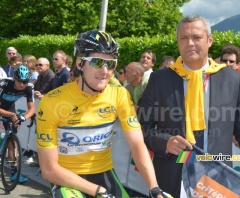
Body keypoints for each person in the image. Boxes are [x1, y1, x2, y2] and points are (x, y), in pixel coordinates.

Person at [137, 14, 240, 197]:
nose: (190, 43)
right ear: (177, 42)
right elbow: (142, 128)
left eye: (197, 37)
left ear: (210, 40)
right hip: (170, 177)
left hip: (216, 180)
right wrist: (165, 141)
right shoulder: (159, 79)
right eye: (184, 38)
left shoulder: (232, 80)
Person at [36, 30, 169, 198]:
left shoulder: (119, 95)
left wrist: (154, 188)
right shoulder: (52, 101)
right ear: (80, 64)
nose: (105, 71)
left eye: (111, 64)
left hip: (104, 173)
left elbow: (137, 144)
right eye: (97, 62)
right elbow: (49, 170)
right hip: (67, 178)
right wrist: (97, 191)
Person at [0, 65, 35, 183]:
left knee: (12, 142)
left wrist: (23, 117)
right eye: (20, 81)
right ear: (15, 78)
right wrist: (11, 115)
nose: (23, 85)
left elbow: (32, 109)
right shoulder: (4, 84)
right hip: (3, 108)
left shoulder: (29, 88)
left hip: (9, 108)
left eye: (25, 82)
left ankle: (14, 173)